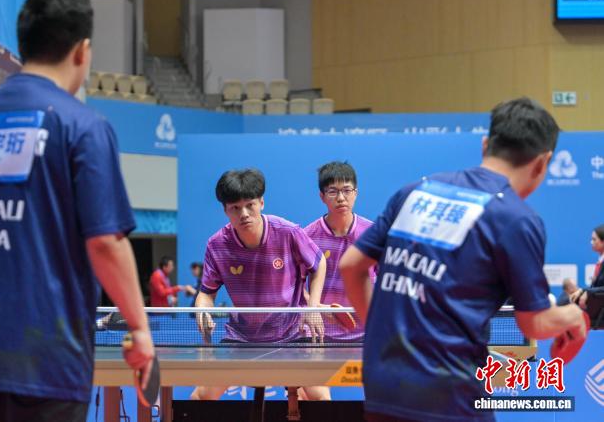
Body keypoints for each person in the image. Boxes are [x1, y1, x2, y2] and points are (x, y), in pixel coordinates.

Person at [0, 0, 153, 422]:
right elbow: (105, 242)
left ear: (23, 44)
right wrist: (140, 329)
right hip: (48, 357)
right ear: (82, 51)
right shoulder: (82, 126)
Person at [340, 98, 589, 422]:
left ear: (486, 145)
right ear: (543, 162)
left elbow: (351, 266)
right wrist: (575, 316)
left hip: (383, 387)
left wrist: (382, 336)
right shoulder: (515, 219)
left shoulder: (416, 191)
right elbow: (535, 323)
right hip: (450, 397)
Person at [191, 168, 329, 401]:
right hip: (242, 337)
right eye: (235, 208)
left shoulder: (288, 232)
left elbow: (319, 263)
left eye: (250, 205)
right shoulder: (217, 245)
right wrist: (202, 309)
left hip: (291, 333)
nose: (244, 214)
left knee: (320, 397)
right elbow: (206, 293)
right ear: (225, 210)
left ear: (261, 203)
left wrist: (313, 307)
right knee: (201, 397)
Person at [304, 161, 373, 342]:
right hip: (322, 333)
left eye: (347, 190)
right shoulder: (307, 236)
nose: (341, 198)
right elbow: (295, 286)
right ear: (322, 196)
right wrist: (314, 306)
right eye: (333, 191)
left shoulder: (373, 234)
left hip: (369, 332)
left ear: (356, 193)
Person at [569, 224, 604, 308]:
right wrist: (583, 292)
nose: (591, 242)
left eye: (594, 239)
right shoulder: (600, 261)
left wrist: (585, 291)